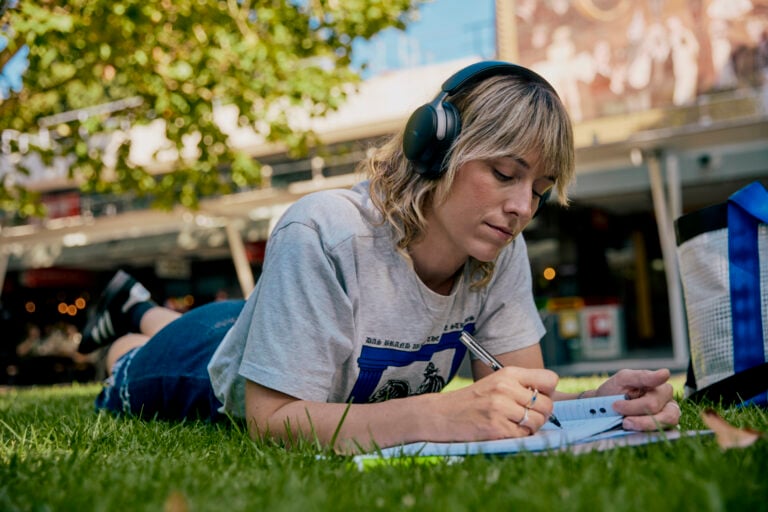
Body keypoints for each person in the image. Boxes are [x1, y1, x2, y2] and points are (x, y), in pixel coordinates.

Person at [79, 61, 680, 453]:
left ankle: (137, 305)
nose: (523, 206)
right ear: (437, 147)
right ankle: (131, 325)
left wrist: (603, 405)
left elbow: (516, 397)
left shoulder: (501, 246)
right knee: (135, 361)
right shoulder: (324, 233)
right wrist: (439, 418)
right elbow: (272, 419)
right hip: (201, 364)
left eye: (541, 189)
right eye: (503, 173)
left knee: (236, 317)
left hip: (288, 329)